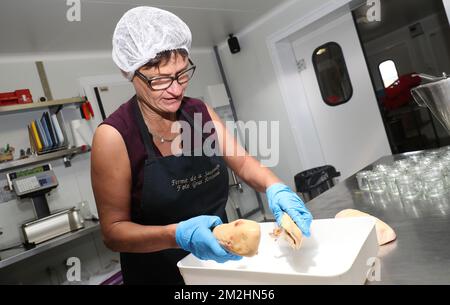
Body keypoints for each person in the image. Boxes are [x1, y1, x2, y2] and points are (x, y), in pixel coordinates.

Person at [91, 6, 313, 285]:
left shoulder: (199, 113)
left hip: (220, 266)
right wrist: (177, 235)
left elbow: (243, 163)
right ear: (130, 73)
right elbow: (113, 232)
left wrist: (276, 188)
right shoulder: (114, 136)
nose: (176, 89)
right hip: (159, 276)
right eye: (160, 80)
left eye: (182, 74)